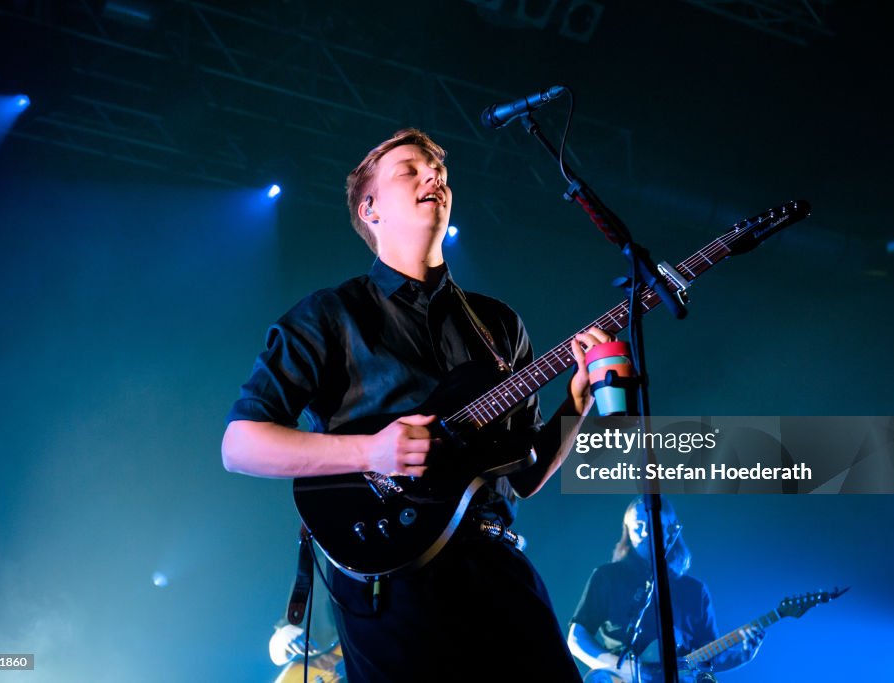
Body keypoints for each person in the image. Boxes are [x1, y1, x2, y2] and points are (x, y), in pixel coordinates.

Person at [222, 128, 610, 682]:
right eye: (412, 170)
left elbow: (522, 476)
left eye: (441, 172)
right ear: (370, 207)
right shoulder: (330, 315)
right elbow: (240, 445)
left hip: (497, 565)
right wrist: (372, 451)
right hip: (391, 575)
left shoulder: (499, 324)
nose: (436, 178)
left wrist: (577, 405)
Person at [568, 497, 763, 682]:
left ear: (671, 530)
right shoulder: (607, 577)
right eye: (638, 526)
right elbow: (576, 640)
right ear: (627, 530)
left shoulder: (695, 591)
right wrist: (622, 667)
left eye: (653, 525)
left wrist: (742, 657)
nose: (645, 533)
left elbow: (706, 660)